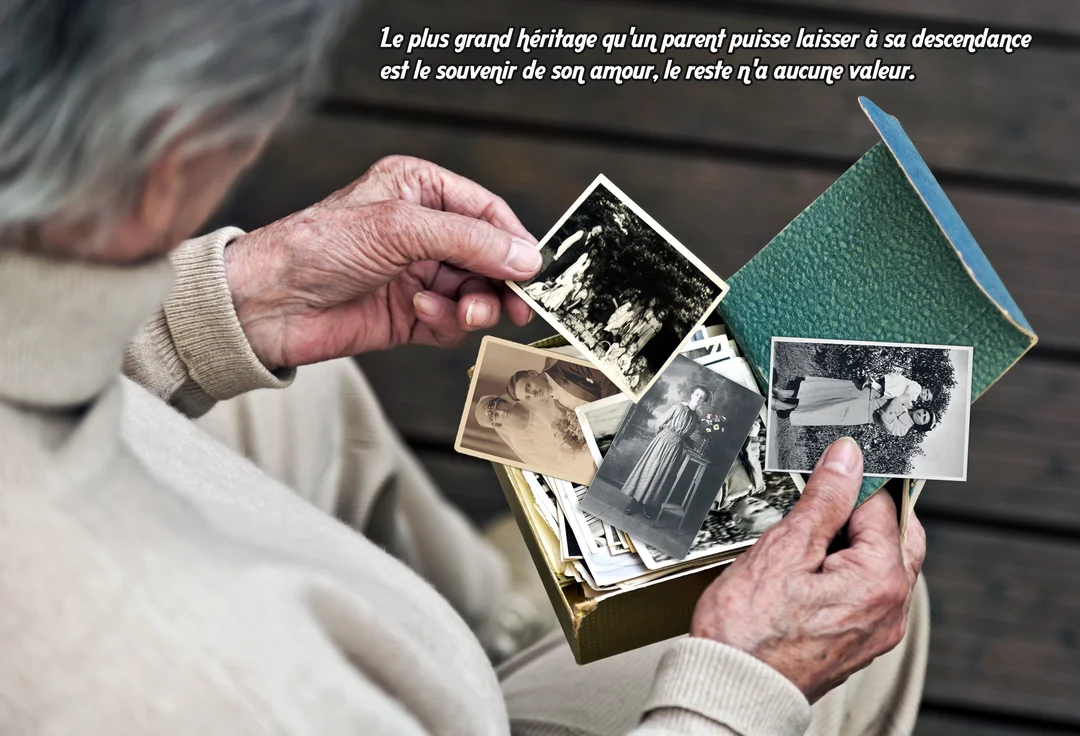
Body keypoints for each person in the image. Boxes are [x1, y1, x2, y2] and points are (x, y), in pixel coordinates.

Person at [0, 2, 929, 734]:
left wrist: (212, 308)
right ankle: (513, 644)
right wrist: (735, 692)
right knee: (871, 619)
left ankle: (500, 621)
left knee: (301, 388)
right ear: (178, 151)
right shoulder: (230, 687)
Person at [623, 386, 710, 520]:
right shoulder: (678, 407)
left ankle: (646, 504)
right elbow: (659, 422)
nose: (698, 398)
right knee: (649, 471)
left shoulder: (696, 418)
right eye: (697, 395)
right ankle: (634, 503)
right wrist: (663, 438)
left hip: (676, 448)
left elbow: (685, 436)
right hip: (662, 442)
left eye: (702, 397)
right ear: (692, 394)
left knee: (661, 476)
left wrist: (695, 447)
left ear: (703, 401)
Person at [773, 372, 926, 432]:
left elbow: (885, 419)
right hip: (866, 391)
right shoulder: (909, 400)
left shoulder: (903, 429)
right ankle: (783, 393)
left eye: (924, 419)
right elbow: (892, 385)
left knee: (823, 408)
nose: (922, 415)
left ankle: (782, 405)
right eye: (925, 412)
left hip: (862, 411)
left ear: (920, 424)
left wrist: (898, 400)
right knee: (824, 391)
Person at [507, 357, 620, 410]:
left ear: (533, 373)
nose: (533, 394)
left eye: (528, 387)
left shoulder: (564, 365)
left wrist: (610, 411)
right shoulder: (559, 405)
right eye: (528, 397)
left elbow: (604, 376)